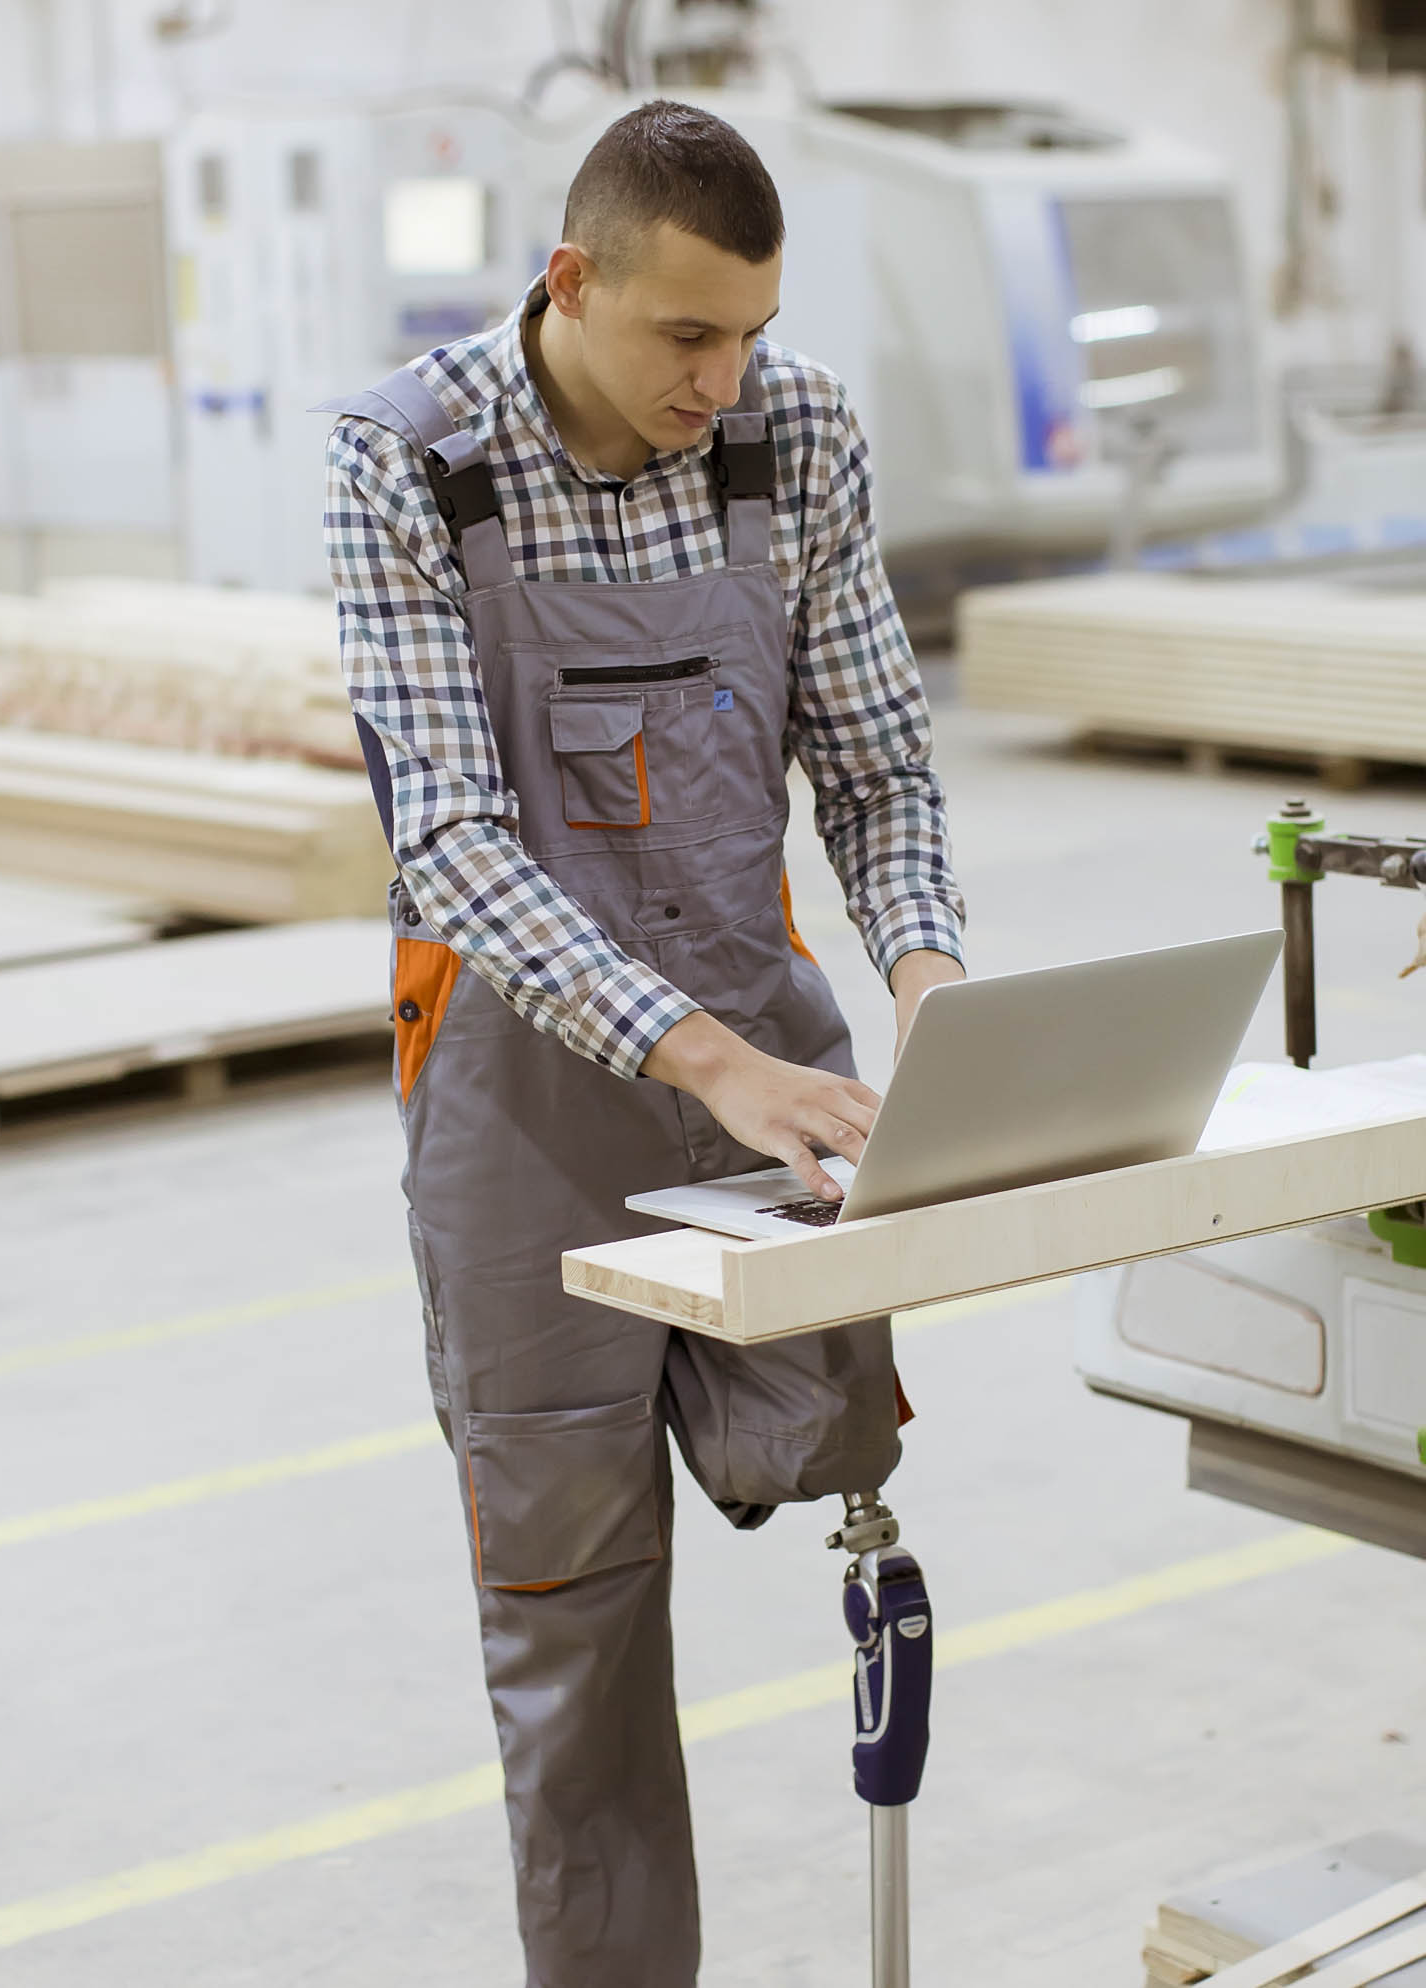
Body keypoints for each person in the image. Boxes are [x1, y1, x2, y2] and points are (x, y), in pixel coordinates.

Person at [323, 97, 966, 1988]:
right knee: (577, 1622)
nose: (724, 376)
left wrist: (928, 979)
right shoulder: (410, 462)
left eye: (752, 330)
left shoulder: (797, 434)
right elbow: (445, 837)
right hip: (521, 1117)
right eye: (687, 335)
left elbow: (872, 753)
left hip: (767, 1066)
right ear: (571, 281)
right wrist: (703, 1064)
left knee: (827, 1465)